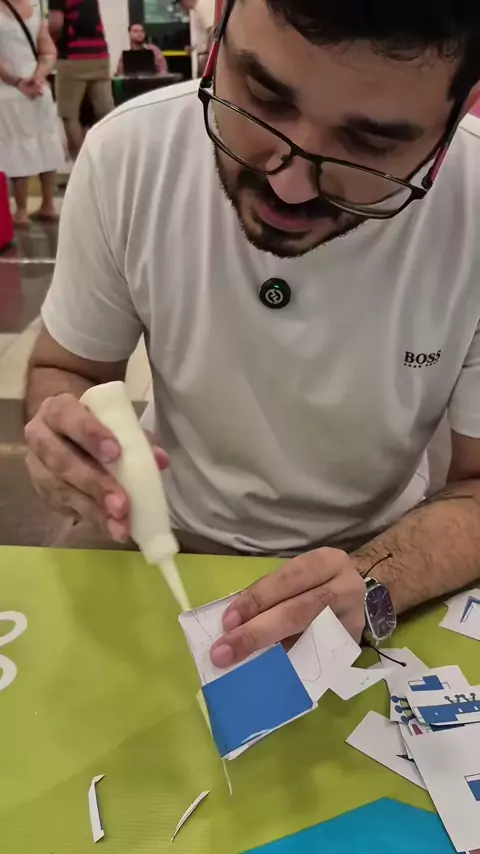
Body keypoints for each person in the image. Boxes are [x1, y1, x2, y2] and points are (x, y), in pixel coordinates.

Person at [25, 0, 480, 668]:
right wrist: (63, 434)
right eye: (264, 99)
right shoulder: (131, 154)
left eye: (370, 145)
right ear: (217, 39)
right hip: (157, 527)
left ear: (453, 124)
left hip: (381, 546)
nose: (288, 185)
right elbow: (67, 368)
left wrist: (376, 580)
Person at [0, 0, 63, 226]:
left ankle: (21, 211)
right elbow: (48, 52)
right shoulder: (35, 11)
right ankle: (48, 205)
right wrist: (39, 76)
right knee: (46, 142)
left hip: (9, 91)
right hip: (39, 90)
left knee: (17, 146)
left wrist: (18, 82)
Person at [48, 0, 114, 161]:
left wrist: (48, 42)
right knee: (105, 111)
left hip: (73, 56)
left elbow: (55, 24)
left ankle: (81, 163)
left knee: (69, 114)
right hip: (100, 55)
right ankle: (110, 156)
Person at [177, 0, 215, 77]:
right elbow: (202, 34)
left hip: (205, 56)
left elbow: (212, 31)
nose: (182, 7)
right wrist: (194, 47)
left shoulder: (202, 8)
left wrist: (209, 56)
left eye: (181, 4)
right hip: (202, 55)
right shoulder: (195, 11)